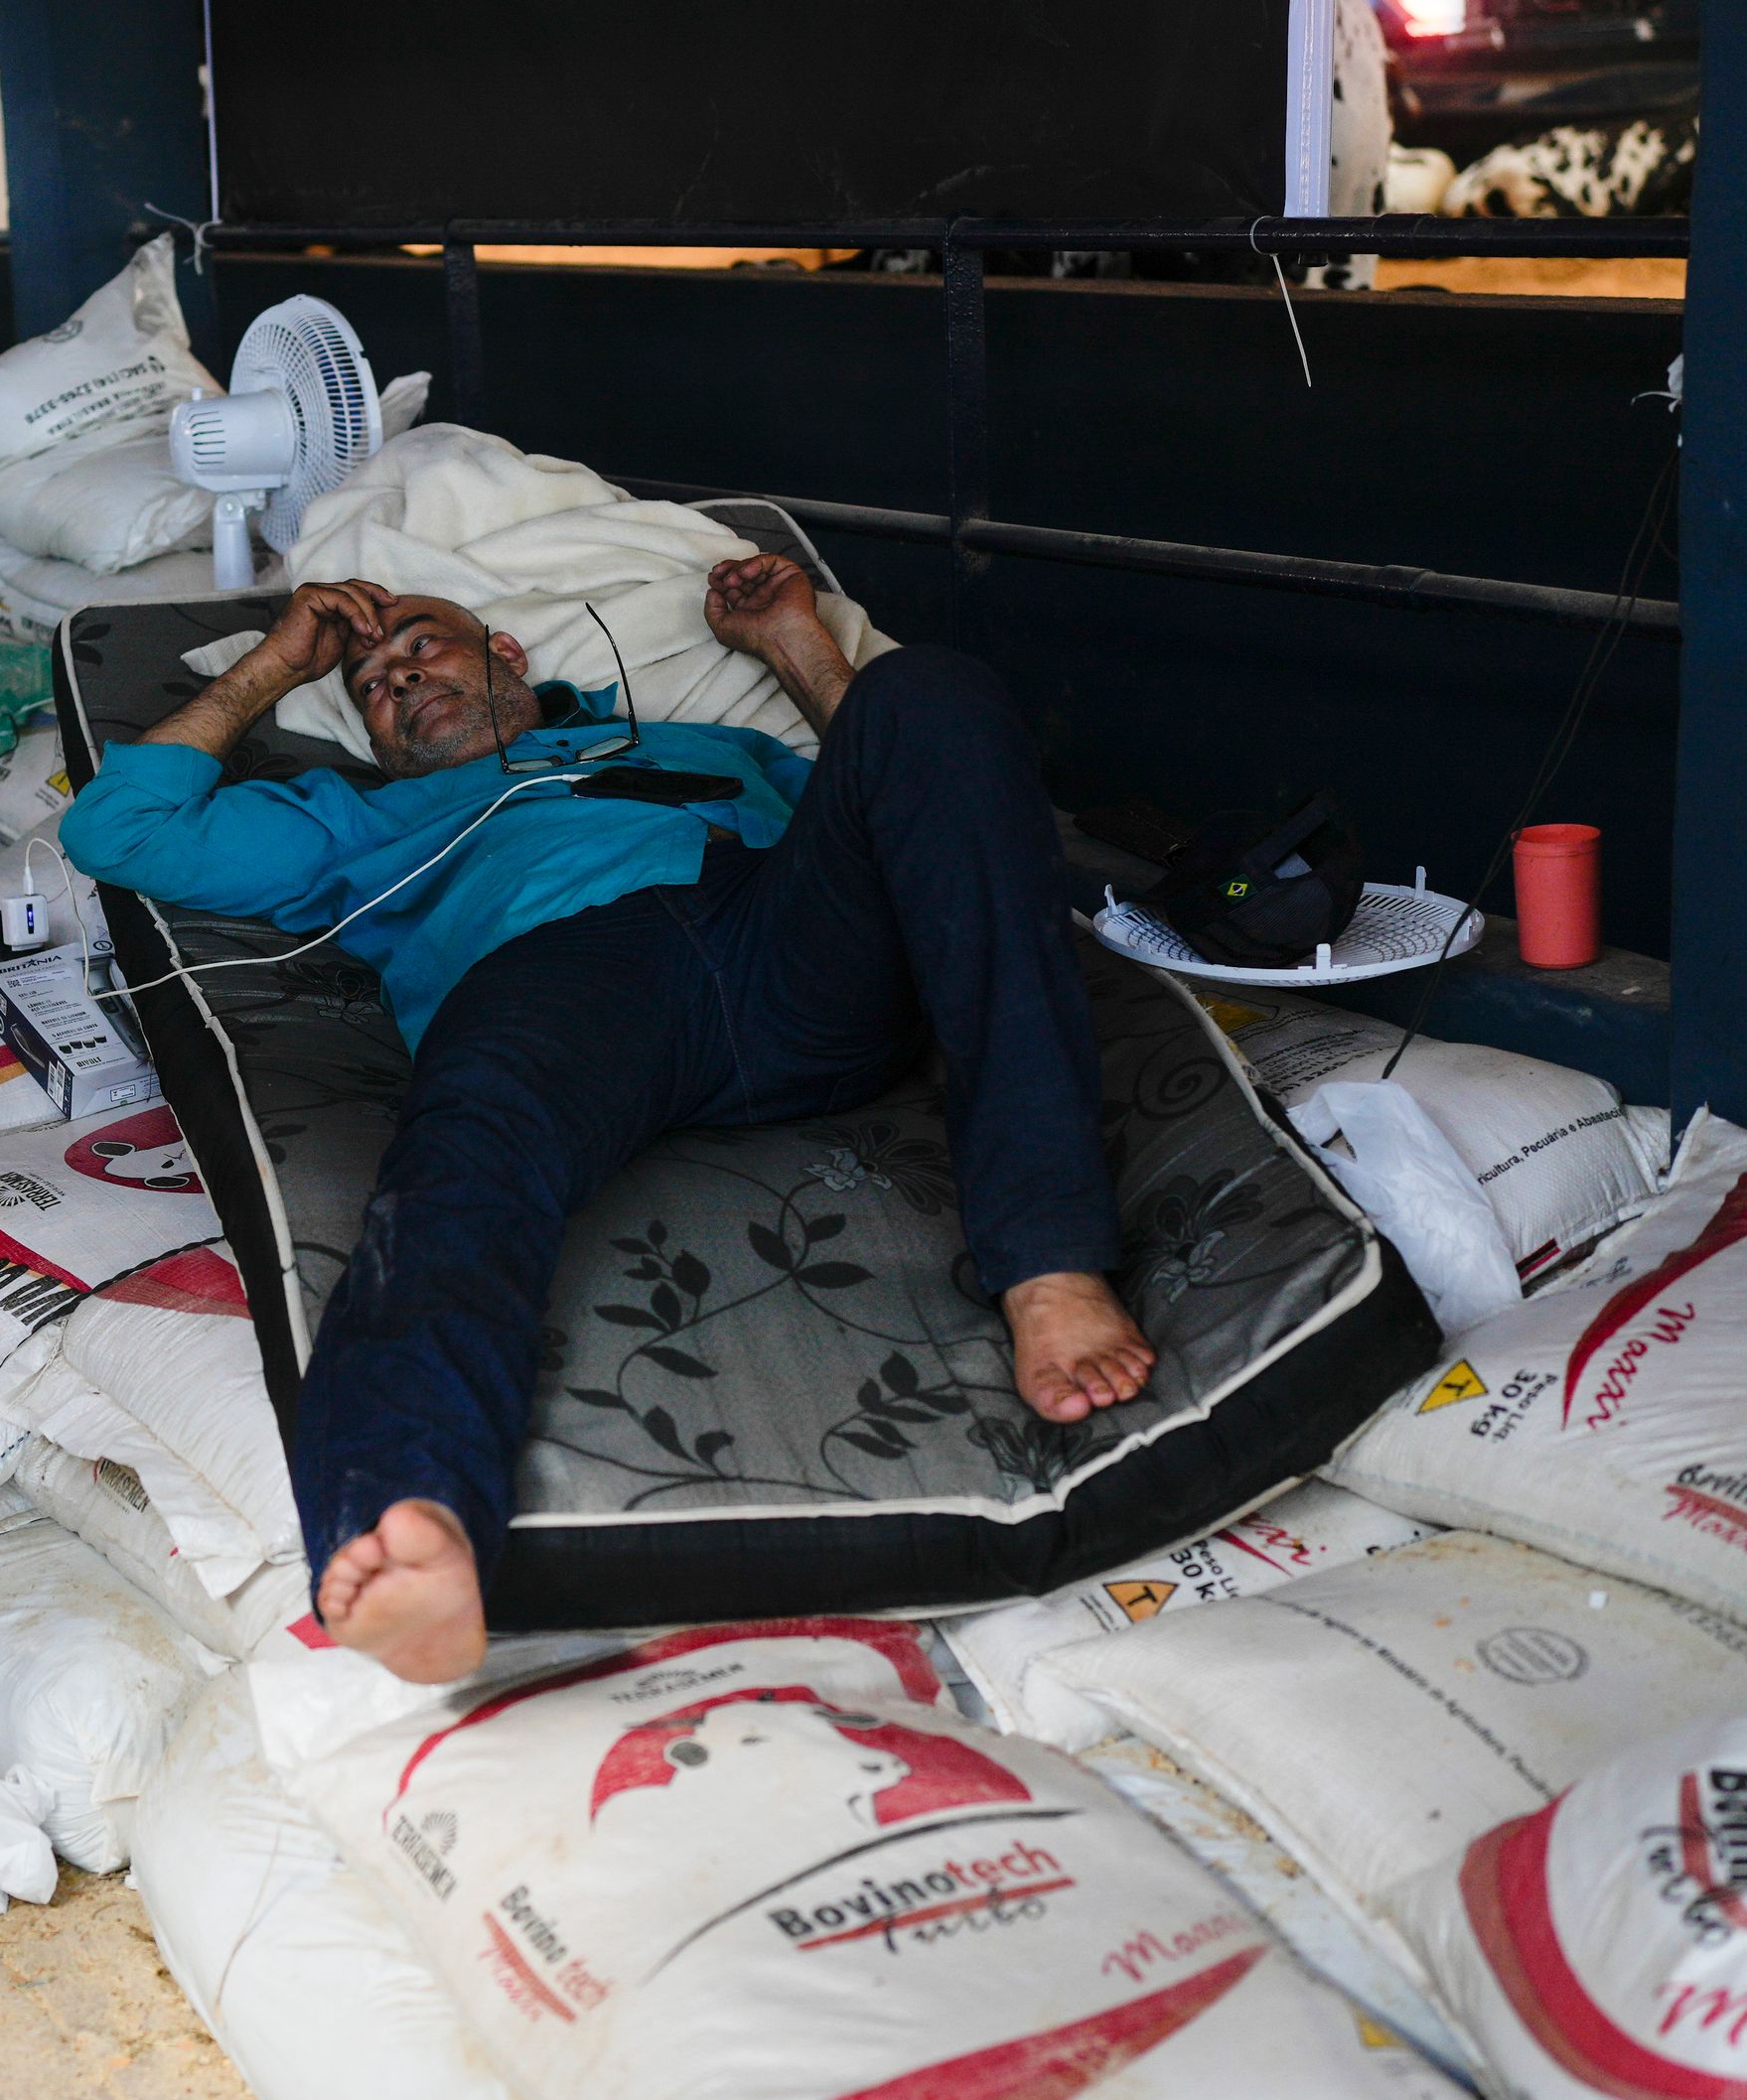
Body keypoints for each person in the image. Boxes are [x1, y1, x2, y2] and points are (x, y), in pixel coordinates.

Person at [60, 563, 1156, 1683]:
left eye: (425, 645)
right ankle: (412, 1512)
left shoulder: (700, 746)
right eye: (373, 684)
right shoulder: (357, 819)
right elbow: (118, 826)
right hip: (560, 986)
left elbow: (921, 780)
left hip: (788, 943)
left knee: (929, 688)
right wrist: (278, 662)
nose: (399, 677)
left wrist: (793, 642)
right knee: (463, 1155)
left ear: (508, 656)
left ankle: (1050, 1263)